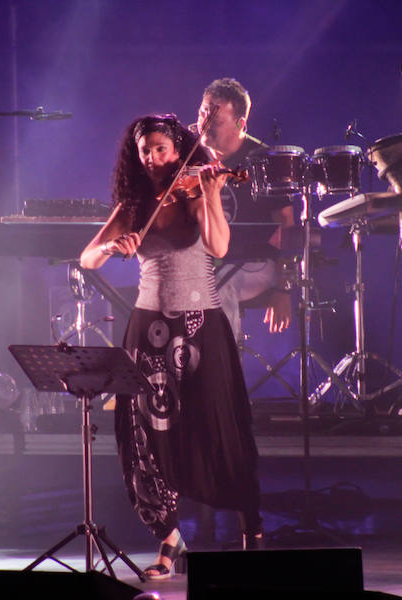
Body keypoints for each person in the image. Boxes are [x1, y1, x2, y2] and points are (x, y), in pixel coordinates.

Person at [80, 114, 263, 579]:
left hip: (201, 325)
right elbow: (87, 257)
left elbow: (219, 247)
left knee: (217, 423)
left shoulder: (197, 190)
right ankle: (170, 536)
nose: (153, 158)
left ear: (178, 150)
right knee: (145, 430)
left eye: (161, 149)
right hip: (148, 327)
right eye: (145, 151)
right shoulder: (135, 204)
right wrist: (112, 248)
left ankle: (250, 526)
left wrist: (212, 193)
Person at [195, 77, 294, 339]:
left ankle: (224, 373)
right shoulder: (188, 155)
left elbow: (288, 227)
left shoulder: (265, 161)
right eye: (203, 112)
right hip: (206, 262)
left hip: (254, 263)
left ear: (240, 125)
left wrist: (283, 289)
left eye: (215, 120)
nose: (204, 123)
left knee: (217, 286)